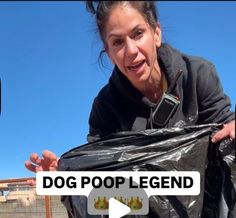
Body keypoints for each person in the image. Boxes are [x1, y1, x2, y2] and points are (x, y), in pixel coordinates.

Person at [25, 0, 235, 174]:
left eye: (138, 34)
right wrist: (65, 173)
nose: (131, 50)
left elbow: (225, 128)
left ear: (156, 33)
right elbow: (97, 168)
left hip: (204, 209)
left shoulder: (197, 75)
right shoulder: (105, 106)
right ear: (109, 53)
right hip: (141, 217)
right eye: (117, 42)